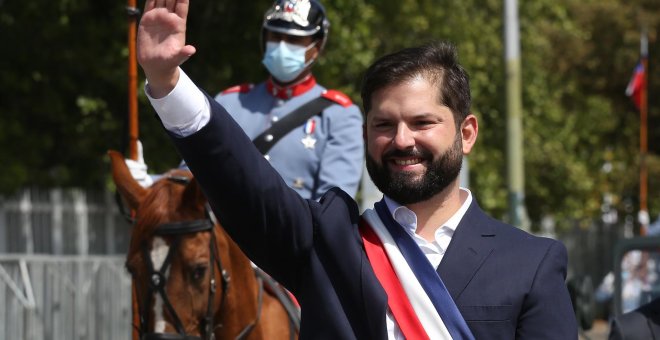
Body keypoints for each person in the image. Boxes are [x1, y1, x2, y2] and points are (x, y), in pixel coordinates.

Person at [136, 0, 578, 338]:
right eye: (384, 125)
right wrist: (166, 81)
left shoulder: (532, 263)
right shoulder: (326, 245)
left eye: (422, 122)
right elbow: (241, 177)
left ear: (466, 133)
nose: (402, 140)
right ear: (367, 134)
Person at [126, 0, 364, 201]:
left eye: (294, 40)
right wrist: (153, 184)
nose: (281, 46)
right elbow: (193, 176)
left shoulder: (339, 115)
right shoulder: (231, 101)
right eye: (275, 36)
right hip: (220, 249)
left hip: (289, 251)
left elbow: (333, 210)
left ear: (317, 46)